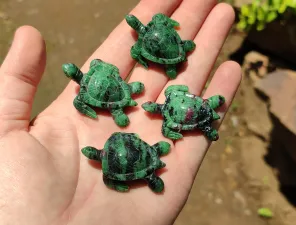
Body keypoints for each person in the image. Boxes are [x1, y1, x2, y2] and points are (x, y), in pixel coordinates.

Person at [0, 0, 241, 224]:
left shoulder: (108, 160)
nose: (146, 106)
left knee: (130, 110)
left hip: (146, 121)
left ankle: (152, 159)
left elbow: (116, 67)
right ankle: (157, 141)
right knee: (132, 105)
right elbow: (100, 72)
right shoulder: (108, 111)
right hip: (148, 111)